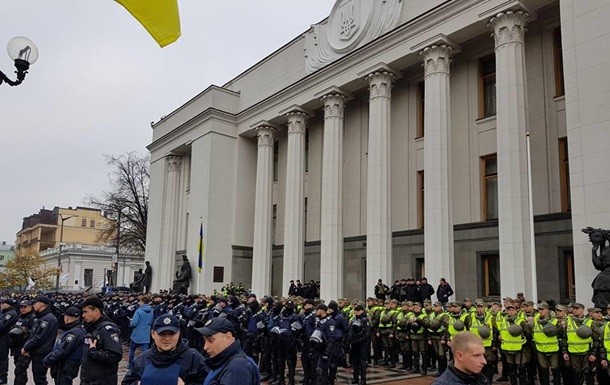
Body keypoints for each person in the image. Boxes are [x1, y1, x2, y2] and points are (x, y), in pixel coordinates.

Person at [122, 313, 207, 385]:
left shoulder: (194, 359)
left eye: (171, 334)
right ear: (153, 334)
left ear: (179, 334)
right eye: (162, 334)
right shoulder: (142, 360)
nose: (167, 338)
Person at [195, 317, 260, 385]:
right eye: (204, 341)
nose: (205, 347)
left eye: (210, 340)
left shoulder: (236, 367)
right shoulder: (225, 362)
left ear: (228, 338)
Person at [80, 296, 123, 385]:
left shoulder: (106, 329)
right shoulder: (92, 327)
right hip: (90, 378)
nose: (83, 315)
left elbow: (115, 356)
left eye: (85, 312)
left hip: (101, 380)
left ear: (96, 311)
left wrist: (95, 353)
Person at [43, 307, 85, 385]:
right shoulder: (72, 330)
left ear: (66, 317)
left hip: (65, 366)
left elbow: (62, 350)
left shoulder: (74, 332)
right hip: (64, 366)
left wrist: (47, 360)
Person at [23, 295, 59, 385]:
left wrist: (26, 348)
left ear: (42, 305)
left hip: (41, 353)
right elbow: (34, 335)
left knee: (40, 379)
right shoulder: (42, 317)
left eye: (35, 303)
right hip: (37, 351)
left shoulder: (47, 319)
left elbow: (38, 337)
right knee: (37, 377)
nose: (34, 305)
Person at [10, 300, 36, 385]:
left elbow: (34, 334)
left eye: (25, 307)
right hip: (17, 347)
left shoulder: (33, 318)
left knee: (20, 369)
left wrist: (25, 331)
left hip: (25, 348)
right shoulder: (20, 317)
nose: (22, 309)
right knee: (18, 369)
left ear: (31, 306)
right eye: (21, 307)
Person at [128, 295, 153, 366]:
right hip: (146, 334)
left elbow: (134, 323)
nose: (139, 303)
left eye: (139, 301)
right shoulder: (151, 311)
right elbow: (150, 322)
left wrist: (131, 322)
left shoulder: (138, 311)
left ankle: (130, 365)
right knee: (145, 352)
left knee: (132, 350)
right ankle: (145, 365)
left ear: (142, 302)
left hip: (137, 334)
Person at [0, 298, 18, 385]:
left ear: (8, 304)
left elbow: (1, 326)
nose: (1, 305)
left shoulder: (10, 314)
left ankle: (3, 378)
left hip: (4, 339)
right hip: (2, 338)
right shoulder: (5, 313)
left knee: (2, 359)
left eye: (3, 303)